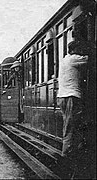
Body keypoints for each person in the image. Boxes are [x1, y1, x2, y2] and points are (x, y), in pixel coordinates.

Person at [57, 40, 90, 179]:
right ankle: (66, 159)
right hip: (71, 96)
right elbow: (90, 59)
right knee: (70, 128)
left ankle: (70, 153)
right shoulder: (75, 59)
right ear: (74, 50)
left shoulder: (64, 60)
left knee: (69, 125)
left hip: (62, 97)